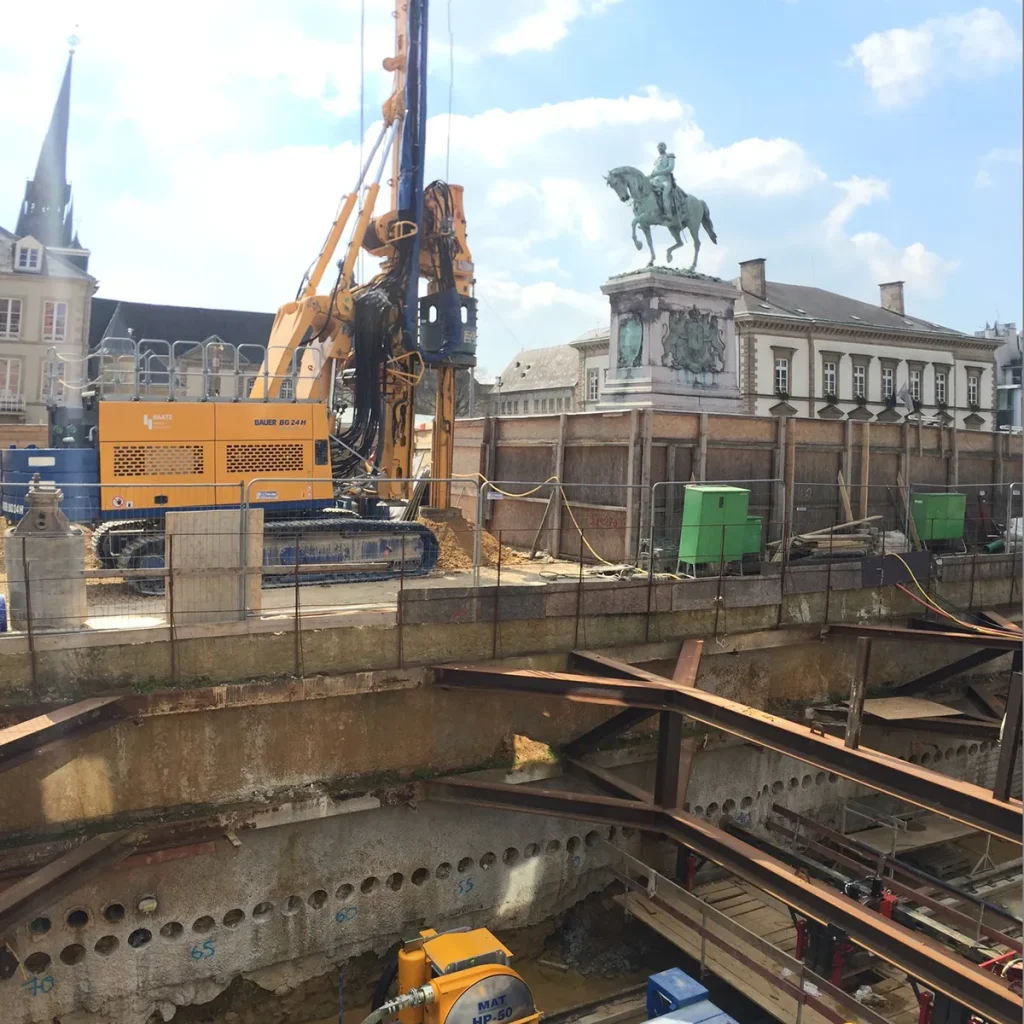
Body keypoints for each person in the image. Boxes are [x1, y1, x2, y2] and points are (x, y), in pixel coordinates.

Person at [650, 142, 676, 217]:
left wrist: (658, 173)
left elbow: (670, 168)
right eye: (658, 146)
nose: (660, 147)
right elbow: (653, 173)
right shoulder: (656, 160)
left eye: (661, 146)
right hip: (655, 181)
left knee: (665, 194)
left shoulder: (669, 156)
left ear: (665, 147)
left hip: (665, 180)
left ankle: (668, 213)